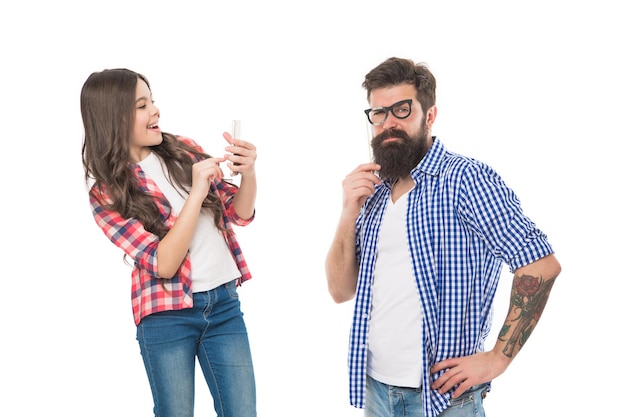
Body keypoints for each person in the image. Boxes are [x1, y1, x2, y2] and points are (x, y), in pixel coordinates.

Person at [325, 57, 561, 417]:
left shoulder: (466, 180)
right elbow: (340, 291)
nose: (389, 123)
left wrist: (498, 359)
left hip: (445, 399)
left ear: (429, 115)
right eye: (378, 113)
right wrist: (347, 212)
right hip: (375, 392)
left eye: (402, 110)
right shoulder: (371, 192)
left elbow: (541, 265)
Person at [80, 68, 258, 417]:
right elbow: (164, 263)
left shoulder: (183, 150)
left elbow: (240, 213)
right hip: (166, 318)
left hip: (224, 305)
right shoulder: (106, 194)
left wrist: (248, 171)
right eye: (142, 105)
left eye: (153, 101)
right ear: (113, 117)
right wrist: (196, 193)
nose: (156, 111)